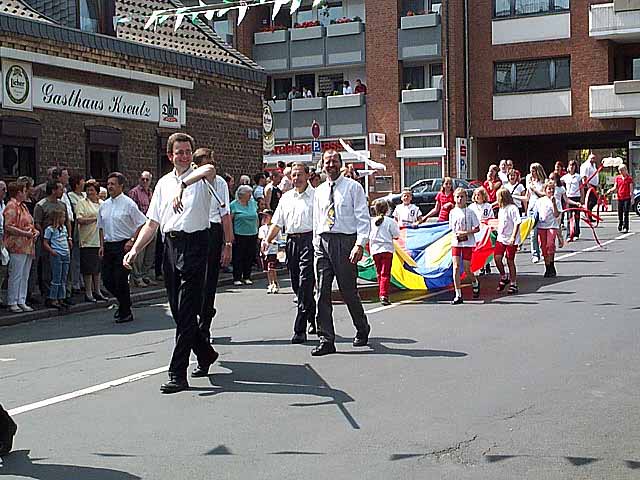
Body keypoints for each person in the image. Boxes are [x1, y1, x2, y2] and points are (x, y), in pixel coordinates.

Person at [123, 132, 220, 394]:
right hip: (171, 246)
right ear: (170, 156)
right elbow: (152, 223)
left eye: (188, 151)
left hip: (197, 244)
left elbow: (209, 168)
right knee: (178, 312)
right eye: (180, 152)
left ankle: (177, 373)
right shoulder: (163, 184)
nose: (185, 156)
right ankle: (205, 352)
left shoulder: (203, 177)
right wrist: (135, 249)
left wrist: (184, 185)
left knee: (187, 311)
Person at [312, 149, 371, 356]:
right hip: (323, 242)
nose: (331, 165)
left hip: (345, 242)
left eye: (334, 161)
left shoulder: (353, 188)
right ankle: (326, 339)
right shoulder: (318, 191)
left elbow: (363, 218)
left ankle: (362, 328)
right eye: (327, 162)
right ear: (323, 165)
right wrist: (315, 243)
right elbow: (316, 220)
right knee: (321, 293)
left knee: (348, 291)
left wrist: (359, 244)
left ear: (341, 164)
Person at [265, 163, 317, 342]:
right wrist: (267, 240)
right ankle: (312, 315)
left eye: (300, 174)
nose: (297, 178)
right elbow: (277, 222)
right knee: (297, 284)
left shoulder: (316, 196)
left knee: (305, 282)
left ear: (308, 175)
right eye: (293, 175)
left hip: (310, 241)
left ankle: (299, 329)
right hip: (292, 242)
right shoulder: (286, 198)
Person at [192, 147, 233, 344]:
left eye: (213, 161)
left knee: (209, 280)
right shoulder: (190, 181)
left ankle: (205, 325)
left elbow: (225, 214)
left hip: (212, 231)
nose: (212, 165)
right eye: (208, 161)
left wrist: (228, 244)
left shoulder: (220, 183)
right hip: (192, 231)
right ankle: (202, 312)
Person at [97, 172, 146, 324]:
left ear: (121, 186)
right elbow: (101, 227)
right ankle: (125, 303)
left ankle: (125, 312)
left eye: (113, 184)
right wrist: (102, 246)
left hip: (123, 245)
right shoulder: (104, 205)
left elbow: (141, 223)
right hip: (109, 245)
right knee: (107, 279)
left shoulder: (129, 204)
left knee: (120, 279)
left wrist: (132, 240)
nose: (109, 186)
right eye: (108, 184)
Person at [34, 180, 72, 304]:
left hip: (61, 240)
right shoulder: (41, 205)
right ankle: (48, 295)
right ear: (53, 190)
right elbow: (37, 223)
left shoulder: (62, 205)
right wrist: (46, 237)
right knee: (47, 268)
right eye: (60, 189)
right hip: (48, 240)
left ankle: (62, 295)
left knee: (62, 270)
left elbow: (67, 222)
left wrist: (69, 237)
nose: (63, 191)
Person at [3, 182, 38, 313]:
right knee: (16, 274)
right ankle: (12, 301)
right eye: (24, 191)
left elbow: (30, 222)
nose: (25, 193)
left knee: (24, 274)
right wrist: (25, 233)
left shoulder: (23, 207)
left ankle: (21, 300)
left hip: (27, 245)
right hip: (17, 245)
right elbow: (8, 226)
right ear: (18, 192)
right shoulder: (12, 206)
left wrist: (34, 231)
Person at [75, 180, 106, 303]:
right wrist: (95, 219)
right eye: (87, 190)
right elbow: (80, 219)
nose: (89, 192)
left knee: (97, 268)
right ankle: (88, 293)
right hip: (87, 240)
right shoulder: (82, 203)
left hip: (99, 239)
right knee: (88, 269)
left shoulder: (102, 204)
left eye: (92, 190)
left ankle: (97, 291)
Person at [449, 188, 480, 305]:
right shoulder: (452, 212)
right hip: (456, 242)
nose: (460, 199)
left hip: (467, 242)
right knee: (456, 267)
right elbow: (451, 228)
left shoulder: (470, 212)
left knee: (467, 269)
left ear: (466, 198)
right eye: (457, 197)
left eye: (462, 197)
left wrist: (466, 233)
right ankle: (458, 294)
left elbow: (477, 228)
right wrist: (457, 234)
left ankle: (474, 281)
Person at [128, 171, 156, 287]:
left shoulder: (151, 192)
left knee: (150, 252)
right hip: (140, 226)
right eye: (142, 179)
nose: (144, 181)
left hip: (153, 224)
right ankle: (137, 276)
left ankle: (145, 275)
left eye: (147, 180)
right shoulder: (134, 192)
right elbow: (131, 210)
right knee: (140, 252)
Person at [370, 200, 400, 306]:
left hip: (375, 250)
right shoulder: (390, 221)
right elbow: (396, 235)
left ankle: (381, 292)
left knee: (379, 273)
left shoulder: (371, 222)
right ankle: (384, 294)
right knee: (385, 273)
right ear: (387, 209)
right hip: (386, 249)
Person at [42, 209, 71, 310]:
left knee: (64, 277)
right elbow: (45, 242)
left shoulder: (64, 228)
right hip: (57, 253)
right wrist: (51, 251)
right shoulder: (50, 229)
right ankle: (53, 298)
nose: (64, 219)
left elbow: (65, 239)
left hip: (65, 253)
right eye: (62, 217)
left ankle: (61, 298)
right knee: (56, 277)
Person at [230, 185, 259, 286]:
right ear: (242, 195)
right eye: (248, 193)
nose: (250, 195)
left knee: (249, 255)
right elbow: (230, 220)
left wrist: (258, 230)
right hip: (239, 234)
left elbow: (256, 217)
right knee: (238, 256)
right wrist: (230, 234)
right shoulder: (234, 205)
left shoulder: (253, 203)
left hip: (252, 233)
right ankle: (237, 277)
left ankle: (247, 276)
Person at [494, 188, 521, 295]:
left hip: (511, 239)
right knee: (497, 258)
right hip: (501, 238)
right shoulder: (501, 208)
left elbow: (517, 222)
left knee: (510, 260)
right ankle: (504, 276)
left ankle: (513, 283)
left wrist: (513, 237)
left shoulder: (512, 208)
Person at [537, 180, 561, 278]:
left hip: (552, 225)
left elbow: (556, 215)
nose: (551, 191)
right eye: (549, 189)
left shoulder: (557, 201)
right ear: (545, 190)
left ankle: (551, 264)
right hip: (541, 226)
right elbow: (536, 213)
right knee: (543, 247)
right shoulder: (540, 201)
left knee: (550, 244)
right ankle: (547, 267)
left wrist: (554, 204)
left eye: (552, 189)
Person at [66, 174, 85, 294]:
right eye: (82, 181)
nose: (84, 183)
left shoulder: (84, 195)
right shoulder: (70, 196)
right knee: (76, 258)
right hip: (77, 230)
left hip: (88, 233)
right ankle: (75, 283)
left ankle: (82, 280)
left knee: (84, 258)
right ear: (77, 183)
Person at [469, 187, 494, 275]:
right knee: (477, 249)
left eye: (478, 195)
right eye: (475, 195)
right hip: (475, 231)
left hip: (484, 230)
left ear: (483, 196)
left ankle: (487, 264)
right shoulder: (471, 207)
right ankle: (481, 266)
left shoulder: (488, 206)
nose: (477, 197)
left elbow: (491, 218)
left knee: (485, 248)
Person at [526, 163, 546, 264]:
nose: (531, 173)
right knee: (533, 233)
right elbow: (527, 197)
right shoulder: (529, 181)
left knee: (541, 232)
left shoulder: (543, 182)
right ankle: (535, 254)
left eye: (533, 171)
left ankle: (544, 251)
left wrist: (535, 190)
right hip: (532, 208)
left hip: (541, 208)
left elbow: (544, 194)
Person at [606, 164, 635, 234]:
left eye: (622, 170)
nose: (621, 172)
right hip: (620, 197)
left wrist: (632, 198)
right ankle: (620, 223)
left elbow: (631, 189)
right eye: (620, 170)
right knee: (620, 212)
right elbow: (615, 187)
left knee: (626, 212)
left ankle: (626, 227)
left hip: (627, 197)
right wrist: (610, 190)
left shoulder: (629, 178)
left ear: (625, 170)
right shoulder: (618, 178)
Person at [258, 209, 281, 294]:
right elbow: (262, 237)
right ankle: (270, 283)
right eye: (263, 217)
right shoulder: (262, 228)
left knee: (271, 268)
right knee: (267, 269)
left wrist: (274, 242)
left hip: (273, 251)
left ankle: (275, 283)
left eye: (266, 216)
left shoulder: (275, 228)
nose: (264, 218)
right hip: (264, 251)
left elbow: (279, 239)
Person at [561, 160, 583, 241]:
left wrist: (582, 199)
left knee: (577, 217)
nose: (571, 167)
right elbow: (558, 183)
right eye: (570, 165)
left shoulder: (578, 177)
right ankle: (569, 234)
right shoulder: (565, 177)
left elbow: (581, 188)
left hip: (576, 197)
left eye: (573, 166)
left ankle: (577, 233)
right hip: (568, 198)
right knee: (569, 217)